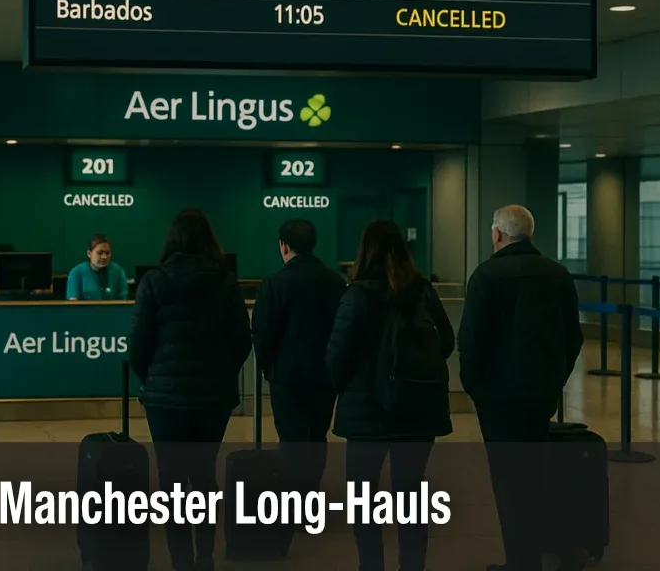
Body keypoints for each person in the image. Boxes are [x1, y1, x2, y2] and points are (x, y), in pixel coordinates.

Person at [458, 205, 584, 571]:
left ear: (498, 234)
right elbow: (573, 336)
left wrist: (475, 386)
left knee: (508, 480)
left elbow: (471, 339)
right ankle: (549, 548)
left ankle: (521, 561)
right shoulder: (557, 275)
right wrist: (555, 377)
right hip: (541, 393)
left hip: (498, 399)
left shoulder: (487, 275)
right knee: (536, 471)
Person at [326, 220, 455, 571]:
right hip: (417, 408)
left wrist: (347, 383)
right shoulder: (423, 290)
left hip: (366, 410)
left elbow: (337, 356)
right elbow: (446, 341)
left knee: (363, 499)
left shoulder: (357, 295)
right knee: (410, 494)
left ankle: (372, 566)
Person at [129, 210, 252, 571]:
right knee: (203, 473)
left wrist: (152, 378)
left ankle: (181, 557)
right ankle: (206, 555)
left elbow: (137, 343)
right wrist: (222, 373)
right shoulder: (226, 282)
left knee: (171, 478)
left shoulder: (154, 282)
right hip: (213, 397)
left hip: (165, 400)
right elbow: (242, 340)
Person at [251, 218, 345, 497]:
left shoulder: (274, 284)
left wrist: (269, 368)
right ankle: (311, 497)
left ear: (284, 245)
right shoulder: (335, 282)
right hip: (324, 376)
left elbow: (263, 333)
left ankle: (293, 501)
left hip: (287, 376)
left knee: (291, 440)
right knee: (316, 437)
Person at [66, 233, 129, 301]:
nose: (104, 257)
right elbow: (73, 304)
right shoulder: (76, 272)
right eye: (100, 253)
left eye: (107, 253)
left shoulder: (118, 272)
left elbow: (123, 301)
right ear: (89, 254)